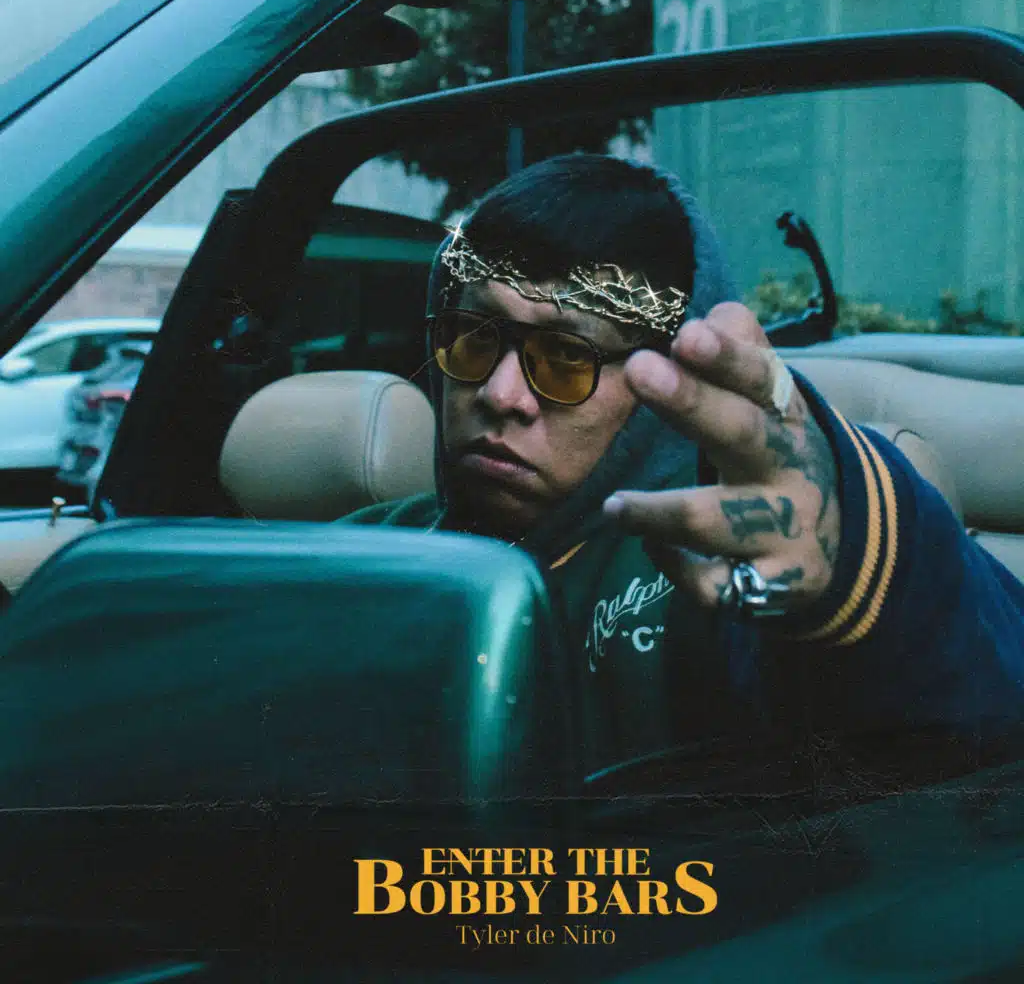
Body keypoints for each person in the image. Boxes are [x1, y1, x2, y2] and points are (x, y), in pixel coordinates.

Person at [344, 153, 1024, 781]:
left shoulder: (713, 565)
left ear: (664, 386)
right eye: (474, 336)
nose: (500, 394)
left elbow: (969, 724)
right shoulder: (367, 555)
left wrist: (853, 558)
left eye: (567, 357)